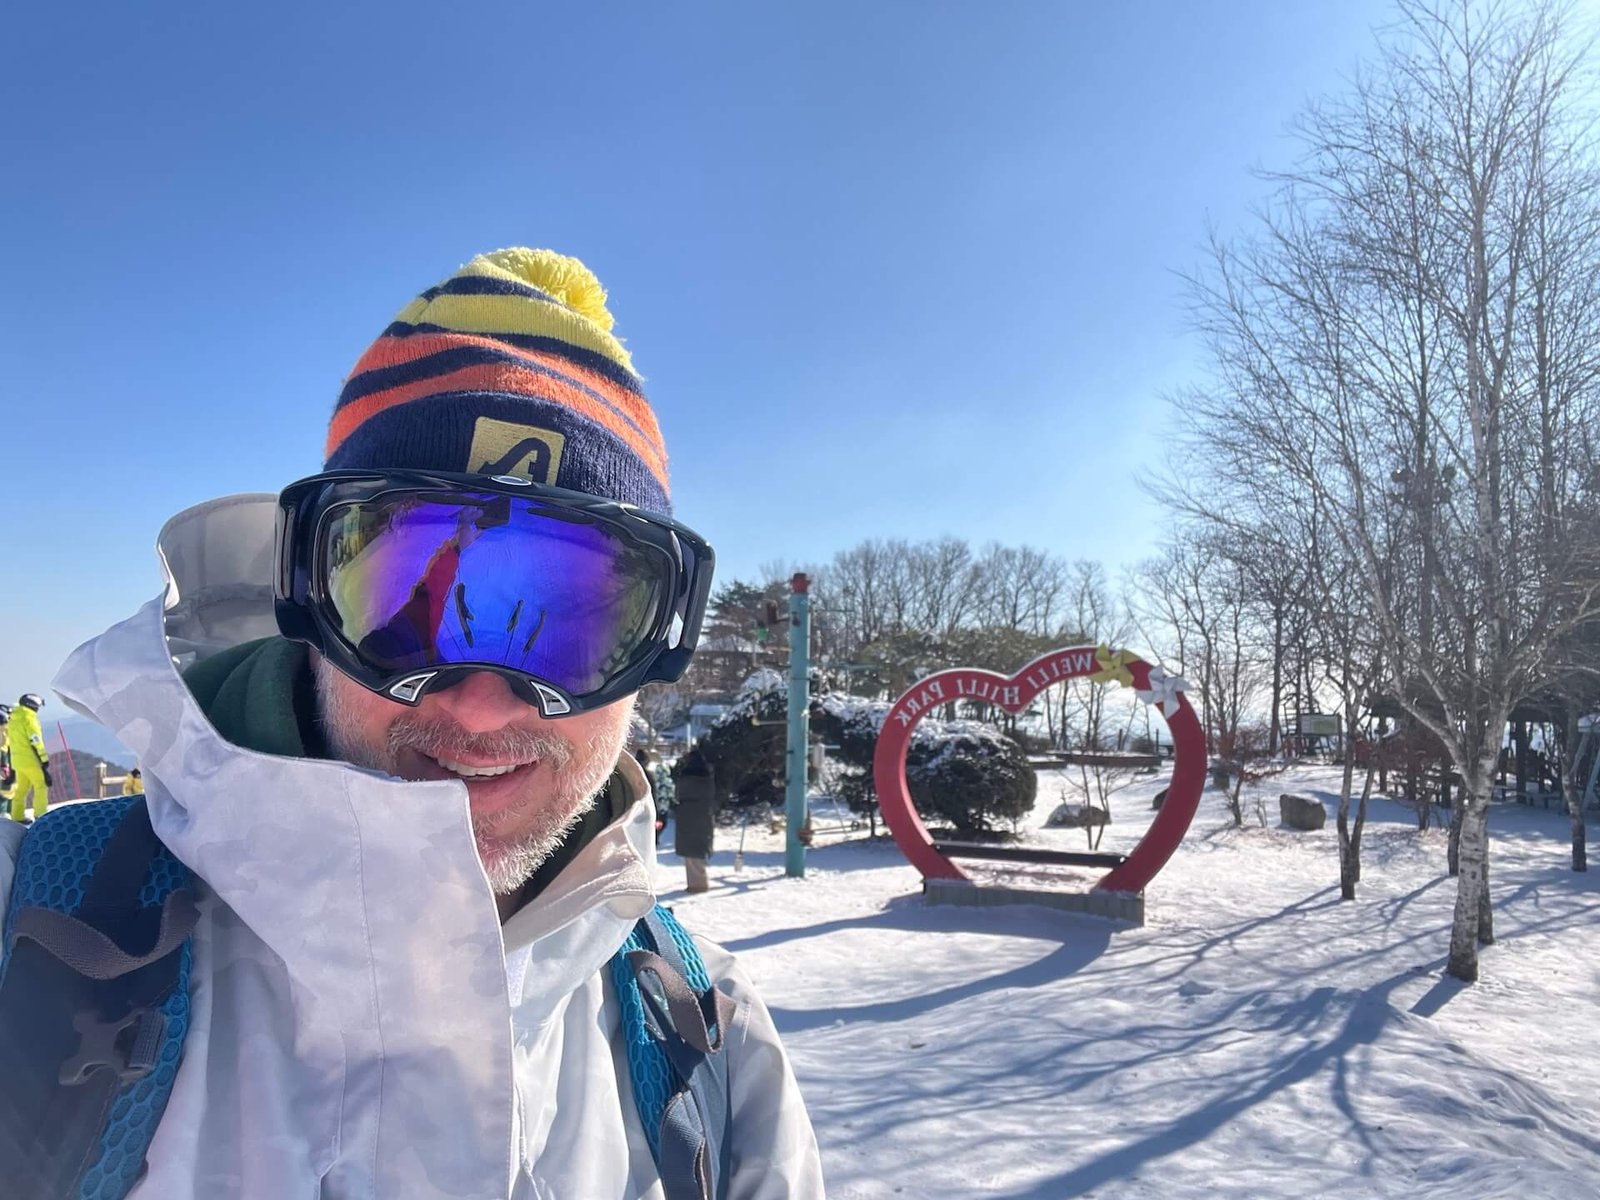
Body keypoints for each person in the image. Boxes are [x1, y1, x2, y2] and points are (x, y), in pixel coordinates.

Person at [2, 248, 824, 1197]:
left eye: (570, 623)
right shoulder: (42, 936)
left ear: (651, 652)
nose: (480, 703)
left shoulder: (707, 1042)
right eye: (409, 605)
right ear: (309, 600)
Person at [673, 747, 720, 892]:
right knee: (698, 851)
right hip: (704, 815)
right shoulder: (708, 777)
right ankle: (698, 883)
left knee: (690, 853)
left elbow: (678, 792)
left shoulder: (685, 776)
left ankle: (697, 885)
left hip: (687, 816)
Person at [5, 693, 50, 823]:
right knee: (40, 786)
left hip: (17, 761)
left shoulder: (13, 718)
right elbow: (36, 740)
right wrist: (44, 760)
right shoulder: (29, 718)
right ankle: (40, 815)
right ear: (33, 705)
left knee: (21, 789)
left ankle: (17, 816)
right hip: (31, 760)